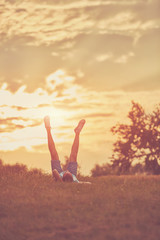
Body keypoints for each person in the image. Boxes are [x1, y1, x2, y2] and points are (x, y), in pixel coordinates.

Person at [44, 116, 86, 183]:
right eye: (67, 172)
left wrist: (60, 180)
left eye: (66, 172)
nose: (67, 171)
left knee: (53, 155)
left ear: (63, 177)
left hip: (58, 173)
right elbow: (89, 183)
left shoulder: (59, 179)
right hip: (72, 174)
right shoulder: (75, 181)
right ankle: (77, 132)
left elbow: (54, 171)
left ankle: (48, 129)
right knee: (74, 155)